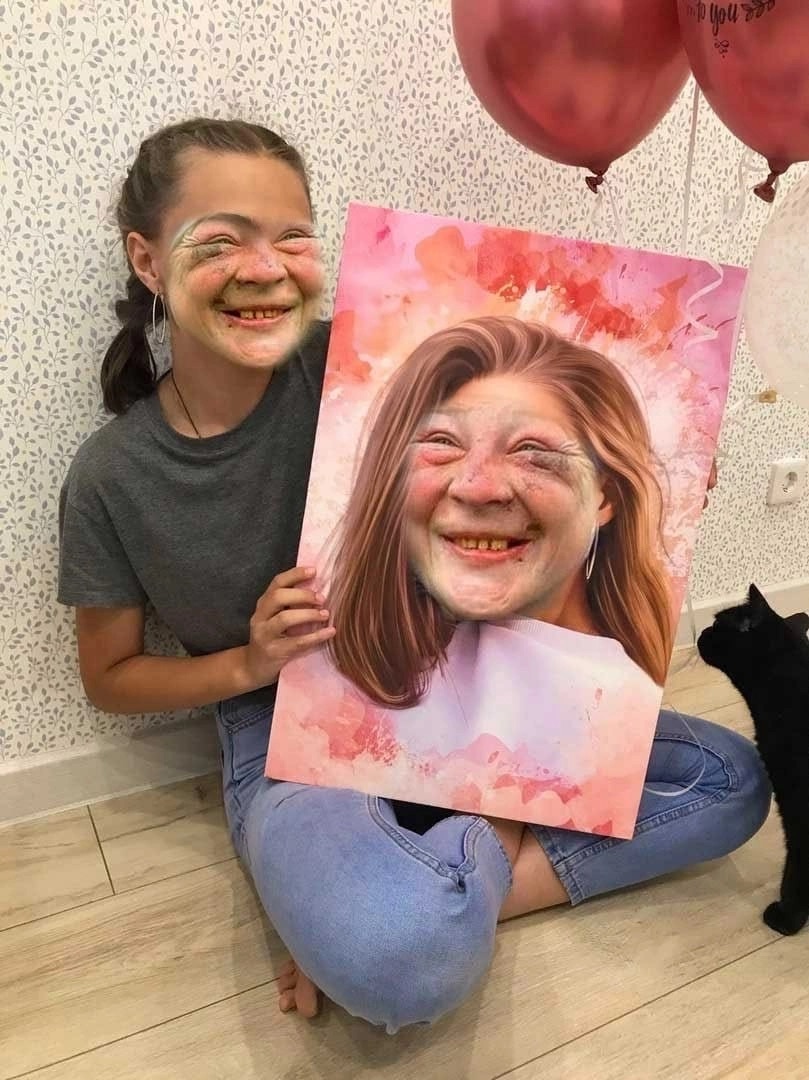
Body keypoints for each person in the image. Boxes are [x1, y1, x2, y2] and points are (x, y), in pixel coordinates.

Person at [57, 117, 771, 1036]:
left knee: (730, 780)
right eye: (221, 240)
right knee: (404, 972)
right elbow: (110, 677)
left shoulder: (367, 360)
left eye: (290, 237)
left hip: (479, 675)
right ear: (148, 261)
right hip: (289, 731)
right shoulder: (113, 474)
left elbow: (544, 435)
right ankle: (395, 915)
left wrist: (667, 472)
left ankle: (415, 902)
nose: (264, 268)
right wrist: (248, 663)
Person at [319, 316, 673, 836]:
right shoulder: (336, 677)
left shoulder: (617, 706)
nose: (477, 487)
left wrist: (499, 856)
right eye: (443, 442)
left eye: (532, 452)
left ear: (606, 497)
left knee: (732, 778)